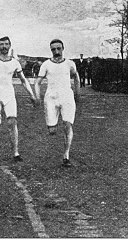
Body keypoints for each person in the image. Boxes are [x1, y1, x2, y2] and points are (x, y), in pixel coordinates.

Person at [34, 39, 81, 168]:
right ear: (51, 50)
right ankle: (53, 126)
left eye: (58, 48)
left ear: (63, 48)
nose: (56, 51)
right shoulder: (46, 65)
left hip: (67, 97)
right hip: (51, 98)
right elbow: (37, 82)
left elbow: (76, 77)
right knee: (52, 130)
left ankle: (66, 155)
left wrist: (77, 92)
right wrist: (37, 97)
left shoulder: (70, 64)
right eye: (53, 49)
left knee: (67, 124)